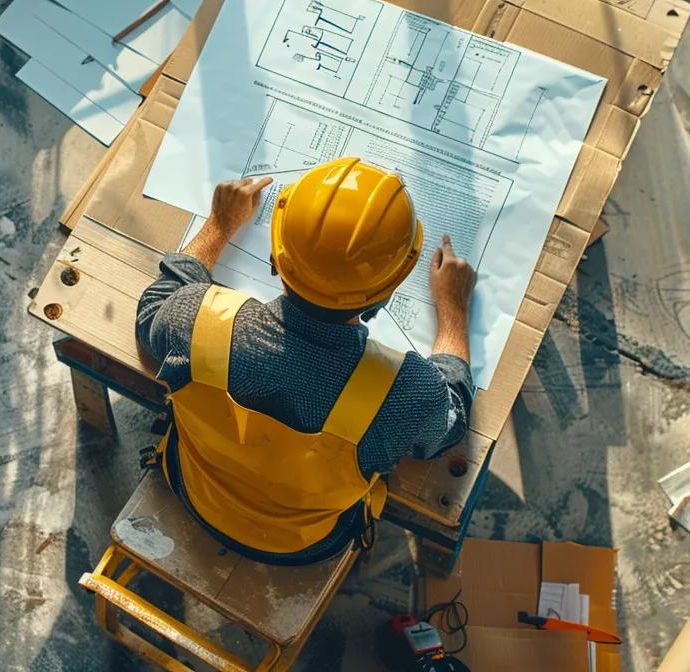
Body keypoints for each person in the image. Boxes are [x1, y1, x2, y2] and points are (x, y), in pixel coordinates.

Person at [136, 157, 477, 566]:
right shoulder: (405, 394)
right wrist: (454, 310)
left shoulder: (196, 321)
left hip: (194, 490)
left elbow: (153, 308)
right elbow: (452, 420)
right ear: (389, 290)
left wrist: (219, 226)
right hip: (307, 543)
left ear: (276, 257)